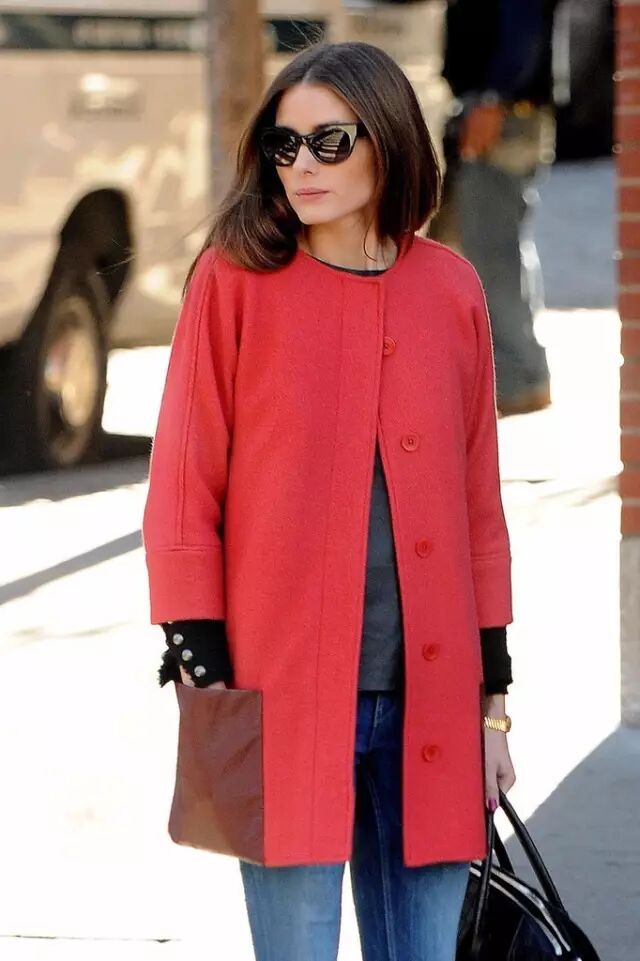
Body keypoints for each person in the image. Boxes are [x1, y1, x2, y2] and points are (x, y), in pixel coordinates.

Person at [142, 40, 516, 961]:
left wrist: (493, 705)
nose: (301, 165)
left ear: (388, 140)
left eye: (329, 141)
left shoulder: (452, 289)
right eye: (284, 144)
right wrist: (203, 667)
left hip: (433, 702)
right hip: (278, 697)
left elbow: (480, 509)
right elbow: (184, 485)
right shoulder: (232, 282)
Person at [432, 0, 564, 416]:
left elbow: (523, 28)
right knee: (498, 247)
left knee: (492, 254)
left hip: (501, 115)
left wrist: (493, 99)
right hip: (500, 110)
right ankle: (523, 375)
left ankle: (516, 380)